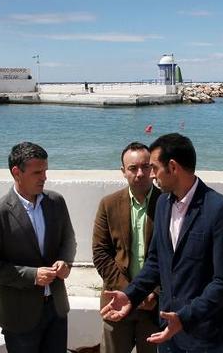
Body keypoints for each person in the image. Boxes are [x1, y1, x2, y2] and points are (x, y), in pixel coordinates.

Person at [101, 133, 223, 353]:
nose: (153, 176)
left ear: (173, 167)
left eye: (154, 168)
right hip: (167, 332)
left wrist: (184, 318)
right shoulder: (163, 205)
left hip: (206, 336)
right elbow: (156, 261)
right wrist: (131, 294)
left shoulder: (220, 210)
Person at [0, 142, 77, 353]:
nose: (44, 177)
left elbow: (68, 240)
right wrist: (31, 275)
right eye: (37, 172)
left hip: (57, 308)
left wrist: (65, 262)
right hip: (19, 315)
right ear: (17, 172)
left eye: (45, 171)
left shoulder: (56, 202)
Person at [92, 142, 162, 353]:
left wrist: (154, 294)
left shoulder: (167, 203)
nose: (139, 173)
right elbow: (100, 253)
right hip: (116, 300)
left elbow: (173, 256)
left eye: (145, 167)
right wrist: (130, 294)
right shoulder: (109, 204)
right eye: (133, 168)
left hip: (153, 305)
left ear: (152, 169)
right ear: (123, 172)